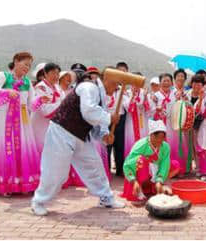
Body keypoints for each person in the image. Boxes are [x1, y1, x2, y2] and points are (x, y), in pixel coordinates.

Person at [30, 69, 125, 216]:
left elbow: (96, 121)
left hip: (81, 135)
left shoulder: (101, 94)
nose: (116, 90)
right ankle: (39, 201)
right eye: (116, 85)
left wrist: (105, 135)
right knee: (56, 171)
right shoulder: (88, 87)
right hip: (62, 131)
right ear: (108, 80)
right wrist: (109, 117)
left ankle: (106, 198)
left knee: (94, 165)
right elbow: (89, 111)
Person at [0, 52, 42, 196]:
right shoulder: (3, 76)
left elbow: (31, 102)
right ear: (16, 61)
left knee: (23, 148)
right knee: (8, 148)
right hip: (5, 120)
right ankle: (7, 184)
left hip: (23, 121)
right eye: (25, 64)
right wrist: (7, 91)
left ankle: (23, 182)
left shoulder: (27, 82)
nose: (27, 68)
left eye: (29, 66)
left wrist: (40, 101)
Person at [121, 119, 179, 203]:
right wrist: (133, 180)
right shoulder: (141, 145)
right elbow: (128, 164)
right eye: (157, 137)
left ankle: (156, 186)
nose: (160, 140)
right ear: (151, 135)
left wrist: (159, 180)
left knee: (175, 165)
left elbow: (164, 164)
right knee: (141, 160)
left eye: (162, 137)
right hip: (142, 172)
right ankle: (139, 189)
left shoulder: (165, 146)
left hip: (155, 172)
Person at [30, 63, 62, 153]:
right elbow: (45, 111)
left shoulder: (57, 87)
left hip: (52, 127)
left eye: (57, 73)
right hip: (40, 125)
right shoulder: (41, 88)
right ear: (45, 74)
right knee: (40, 151)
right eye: (53, 73)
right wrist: (61, 104)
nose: (56, 76)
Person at [122, 81, 151, 158]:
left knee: (143, 139)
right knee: (131, 140)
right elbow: (127, 108)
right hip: (131, 122)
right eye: (134, 82)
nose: (136, 85)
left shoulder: (144, 93)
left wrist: (145, 97)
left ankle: (145, 163)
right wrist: (132, 96)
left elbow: (148, 110)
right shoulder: (126, 93)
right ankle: (131, 163)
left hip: (142, 122)